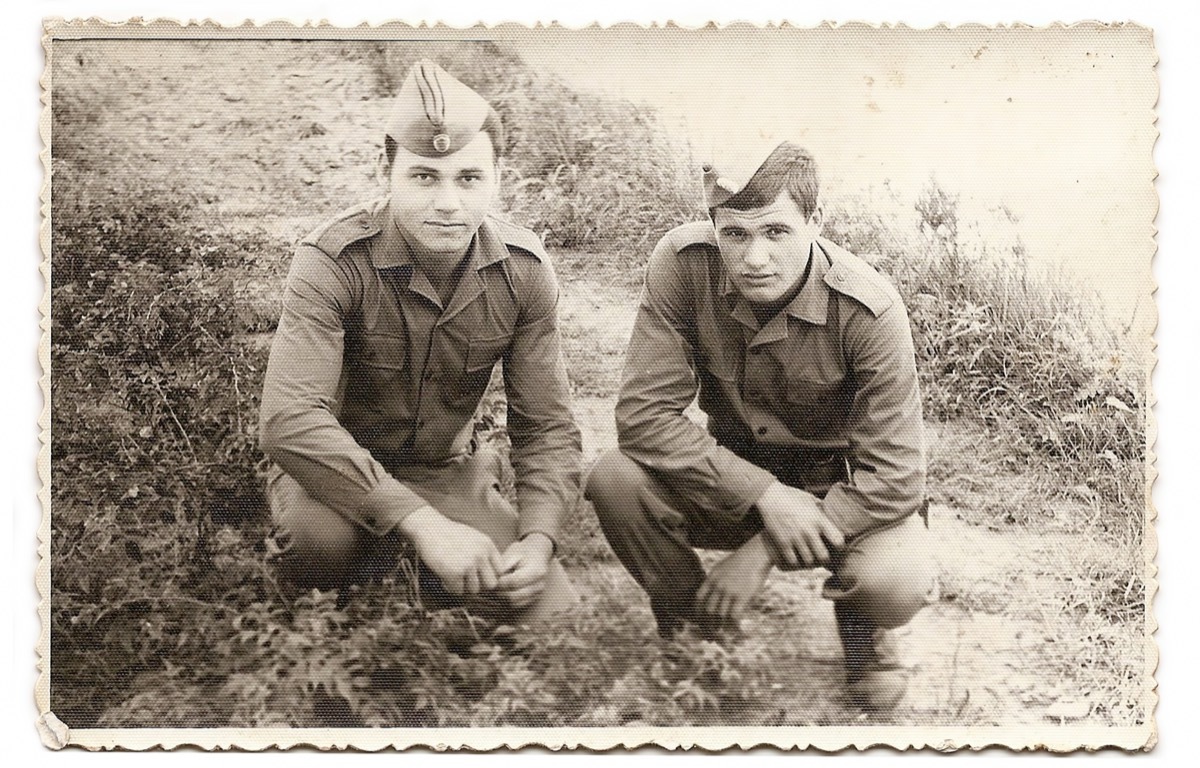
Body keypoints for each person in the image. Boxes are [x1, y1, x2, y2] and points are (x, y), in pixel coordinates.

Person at [585, 139, 938, 709]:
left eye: (776, 232)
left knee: (895, 579)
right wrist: (766, 495)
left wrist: (761, 552)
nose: (754, 258)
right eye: (735, 234)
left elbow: (896, 476)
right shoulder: (682, 266)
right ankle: (694, 627)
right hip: (734, 476)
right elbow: (643, 417)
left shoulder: (869, 308)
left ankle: (865, 634)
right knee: (615, 479)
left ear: (815, 220)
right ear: (713, 225)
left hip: (840, 489)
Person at [259, 60, 582, 623]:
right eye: (425, 177)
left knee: (551, 615)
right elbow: (288, 421)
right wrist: (424, 525)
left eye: (469, 178)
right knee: (321, 546)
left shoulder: (524, 272)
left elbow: (547, 426)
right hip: (334, 474)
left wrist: (538, 539)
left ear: (498, 177)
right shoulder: (333, 262)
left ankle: (419, 583)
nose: (449, 203)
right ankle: (371, 595)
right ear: (386, 171)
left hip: (446, 473)